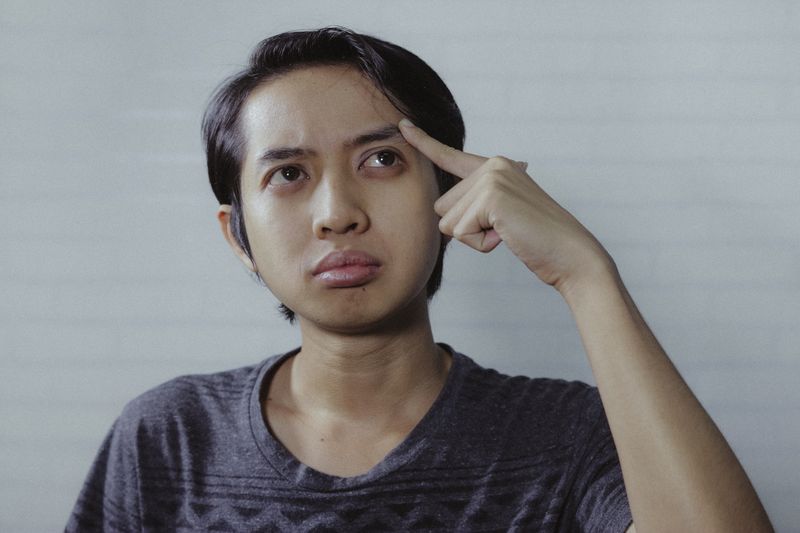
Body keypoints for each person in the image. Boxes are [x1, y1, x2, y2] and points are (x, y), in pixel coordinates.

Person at [67, 27, 772, 532]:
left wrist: (586, 274)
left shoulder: (569, 435)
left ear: (453, 191)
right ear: (238, 237)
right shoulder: (168, 436)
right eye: (288, 174)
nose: (337, 213)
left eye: (380, 160)